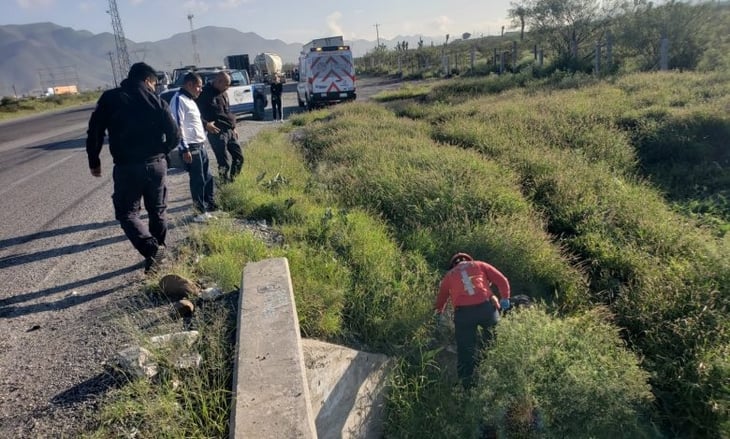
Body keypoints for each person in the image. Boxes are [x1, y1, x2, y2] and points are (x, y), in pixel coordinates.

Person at [86, 62, 180, 273]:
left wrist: (94, 160)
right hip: (156, 164)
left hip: (127, 167)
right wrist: (163, 151)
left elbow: (95, 131)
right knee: (157, 211)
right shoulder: (156, 101)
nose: (155, 87)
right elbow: (175, 133)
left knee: (127, 213)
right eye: (154, 83)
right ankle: (158, 251)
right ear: (148, 80)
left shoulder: (110, 98)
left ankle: (151, 250)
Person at [434, 252, 511, 388]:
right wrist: (505, 298)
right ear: (470, 260)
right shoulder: (480, 264)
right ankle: (494, 373)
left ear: (453, 265)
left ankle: (467, 387)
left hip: (464, 315)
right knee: (494, 340)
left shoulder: (449, 275)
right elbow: (502, 280)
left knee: (465, 353)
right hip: (486, 309)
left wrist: (438, 314)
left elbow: (441, 299)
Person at [169, 72, 217, 223]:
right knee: (198, 180)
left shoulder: (190, 100)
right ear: (189, 84)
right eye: (198, 86)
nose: (200, 90)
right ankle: (199, 212)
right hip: (191, 147)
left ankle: (210, 206)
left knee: (208, 177)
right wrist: (184, 149)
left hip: (200, 145)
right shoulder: (179, 100)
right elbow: (178, 125)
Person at [196, 71, 244, 184]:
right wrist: (205, 124)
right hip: (217, 132)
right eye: (226, 84)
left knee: (239, 158)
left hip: (229, 131)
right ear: (218, 81)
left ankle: (233, 182)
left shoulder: (223, 93)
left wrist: (234, 128)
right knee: (224, 163)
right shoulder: (204, 93)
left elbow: (227, 111)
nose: (228, 87)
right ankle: (225, 187)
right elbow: (195, 114)